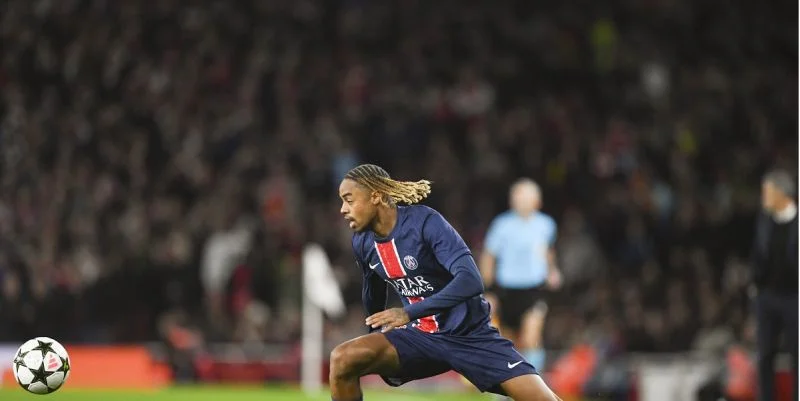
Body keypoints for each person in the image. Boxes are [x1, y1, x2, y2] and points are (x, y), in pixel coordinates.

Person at [330, 164, 562, 401]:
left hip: (470, 337)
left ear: (376, 196)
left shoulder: (424, 222)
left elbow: (471, 280)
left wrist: (408, 313)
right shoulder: (362, 241)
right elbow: (373, 292)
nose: (343, 209)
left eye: (349, 200)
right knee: (343, 359)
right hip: (420, 337)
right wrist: (374, 336)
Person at [479, 179, 562, 374]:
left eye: (525, 197)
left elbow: (547, 251)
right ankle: (510, 381)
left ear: (537, 201)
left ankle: (534, 380)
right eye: (517, 197)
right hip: (507, 289)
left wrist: (552, 270)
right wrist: (487, 289)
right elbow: (489, 256)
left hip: (534, 288)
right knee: (508, 341)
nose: (520, 201)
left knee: (531, 337)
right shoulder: (501, 225)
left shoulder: (546, 224)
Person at [751, 169, 798, 401]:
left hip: (794, 296)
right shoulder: (764, 221)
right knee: (765, 354)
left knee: (797, 353)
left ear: (783, 193)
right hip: (767, 296)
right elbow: (758, 253)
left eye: (768, 192)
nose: (764, 197)